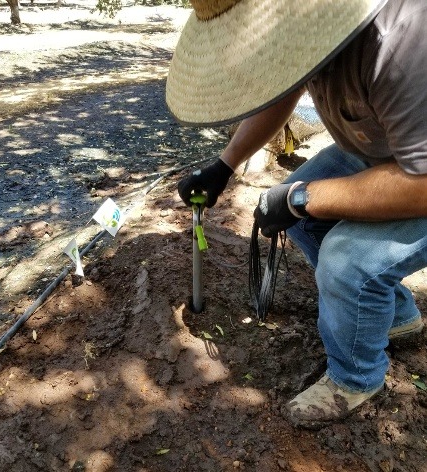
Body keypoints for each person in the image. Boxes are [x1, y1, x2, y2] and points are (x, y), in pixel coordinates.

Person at [165, 0, 427, 429]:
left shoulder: (400, 43)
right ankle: (396, 317)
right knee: (300, 210)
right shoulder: (311, 33)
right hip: (385, 154)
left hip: (420, 177)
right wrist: (225, 164)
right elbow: (284, 89)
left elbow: (422, 186)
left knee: (347, 259)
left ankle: (355, 379)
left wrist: (303, 197)